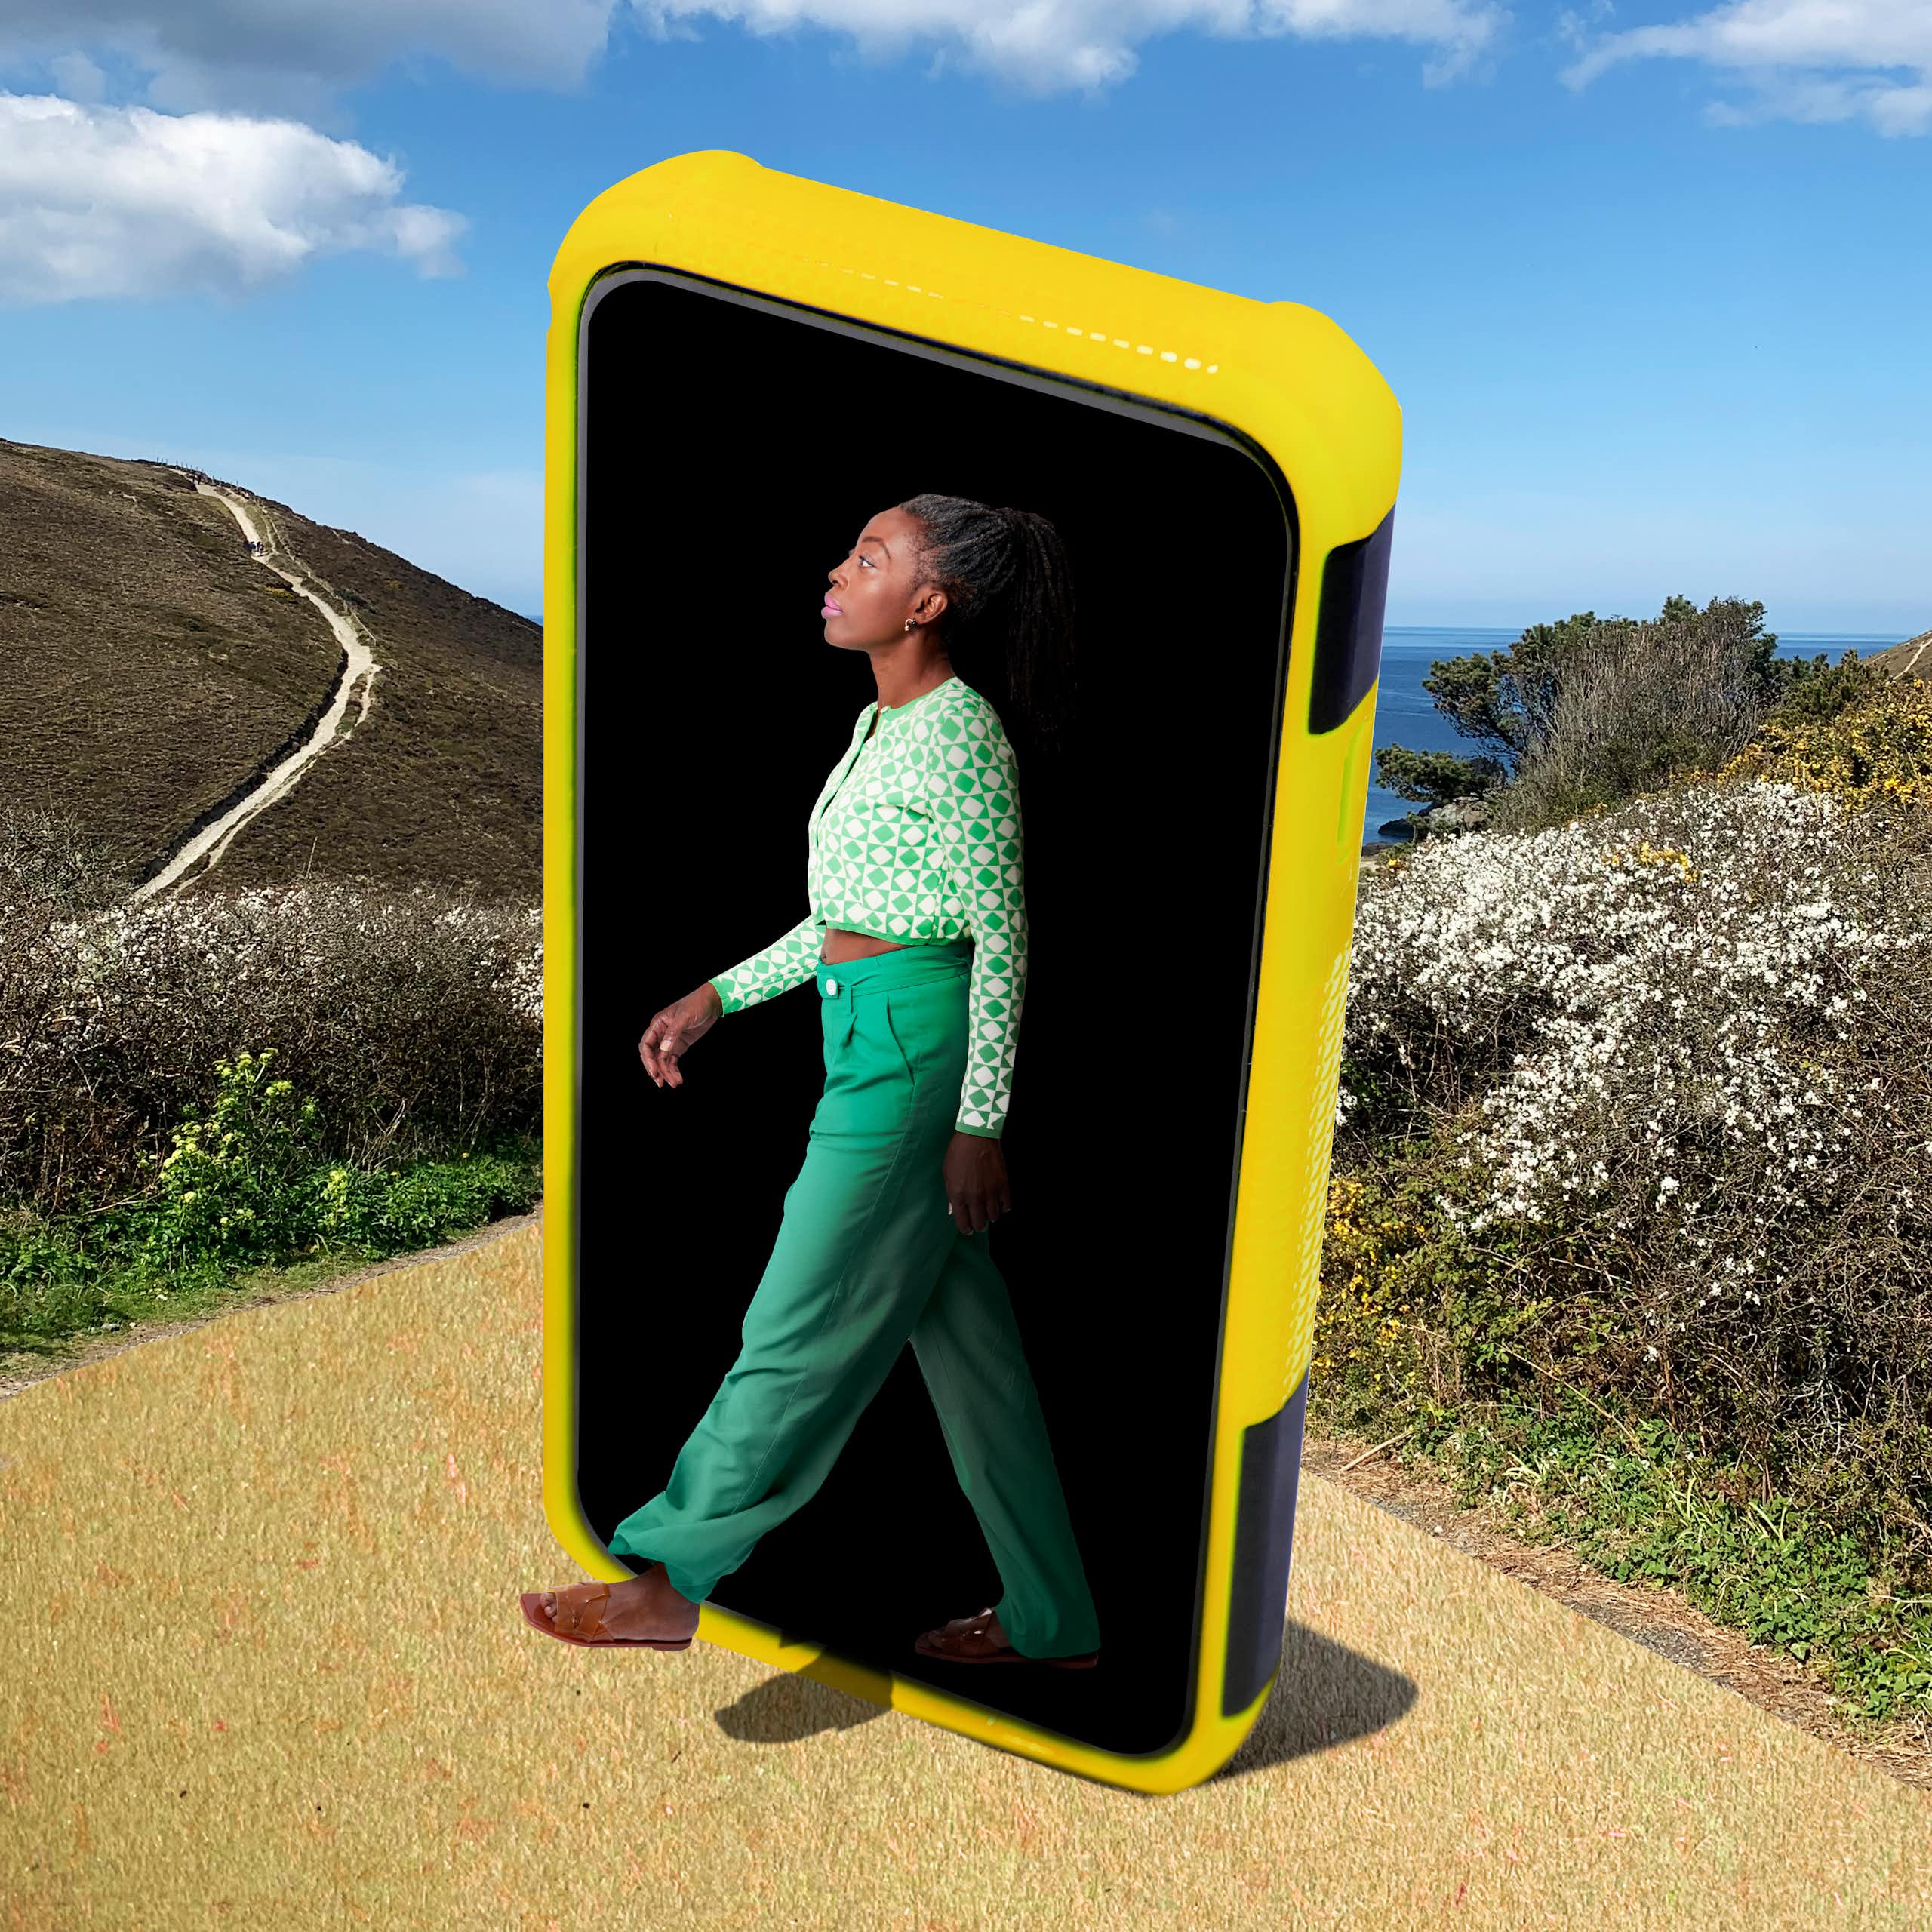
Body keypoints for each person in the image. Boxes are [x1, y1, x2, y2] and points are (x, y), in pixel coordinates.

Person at [521, 493, 1100, 1668]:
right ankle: (1057, 1623)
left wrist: (979, 1121)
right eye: (849, 552)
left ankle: (669, 1579)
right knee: (974, 1363)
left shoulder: (962, 736)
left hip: (912, 1056)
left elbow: (1001, 935)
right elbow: (845, 920)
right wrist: (716, 997)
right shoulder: (876, 729)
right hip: (868, 1034)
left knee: (790, 1327)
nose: (837, 572)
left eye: (868, 558)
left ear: (927, 603)